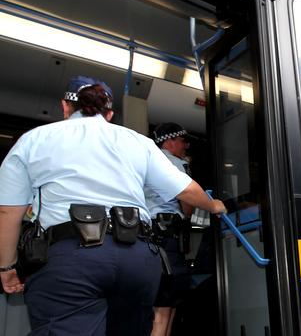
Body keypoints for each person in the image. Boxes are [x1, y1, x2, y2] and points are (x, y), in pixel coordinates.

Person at [0, 76, 226, 336]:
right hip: (138, 258)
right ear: (109, 113)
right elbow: (186, 190)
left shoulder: (34, 140)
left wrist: (7, 267)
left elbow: (8, 211)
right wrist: (215, 206)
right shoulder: (138, 142)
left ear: (65, 106)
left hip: (71, 257)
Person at [145, 122, 194, 336]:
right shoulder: (175, 164)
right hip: (167, 237)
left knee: (163, 305)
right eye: (183, 141)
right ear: (170, 141)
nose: (186, 146)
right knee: (165, 309)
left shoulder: (146, 161)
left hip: (146, 236)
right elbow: (188, 207)